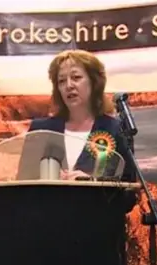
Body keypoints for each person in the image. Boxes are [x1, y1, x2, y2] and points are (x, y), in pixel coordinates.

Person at [20, 49, 137, 212]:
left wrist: (92, 185)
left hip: (98, 228)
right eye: (61, 81)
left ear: (94, 82)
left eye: (76, 78)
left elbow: (130, 194)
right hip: (47, 226)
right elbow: (21, 188)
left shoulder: (114, 129)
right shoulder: (40, 129)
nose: (68, 85)